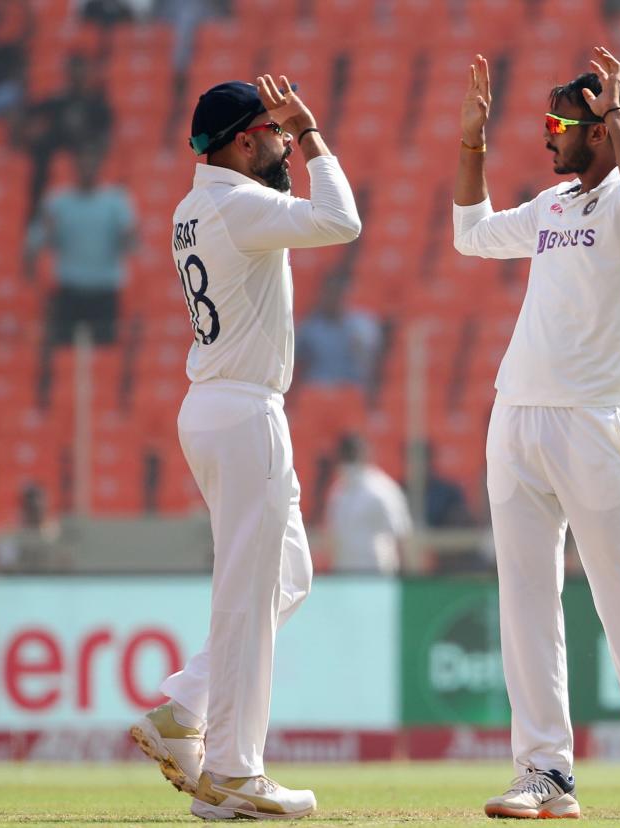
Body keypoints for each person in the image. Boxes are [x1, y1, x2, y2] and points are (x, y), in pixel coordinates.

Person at [452, 49, 620, 819]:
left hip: (595, 418)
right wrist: (471, 142)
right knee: (527, 599)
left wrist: (618, 119)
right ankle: (543, 772)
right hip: (517, 416)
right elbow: (469, 235)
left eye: (559, 126)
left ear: (602, 130)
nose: (547, 140)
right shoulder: (549, 206)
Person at [127, 76, 360, 821]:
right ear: (240, 141)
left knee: (286, 574)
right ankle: (233, 770)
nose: (285, 140)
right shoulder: (236, 202)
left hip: (218, 404)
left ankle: (185, 709)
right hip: (243, 409)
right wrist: (317, 133)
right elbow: (342, 220)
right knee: (246, 593)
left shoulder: (196, 206)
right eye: (274, 131)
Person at [25, 146, 136, 345]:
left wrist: (127, 237)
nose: (87, 169)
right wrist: (47, 232)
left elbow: (132, 244)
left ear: (99, 167)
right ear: (75, 168)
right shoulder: (58, 202)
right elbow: (35, 242)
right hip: (70, 288)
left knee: (105, 353)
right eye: (83, 164)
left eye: (92, 164)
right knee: (64, 352)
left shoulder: (116, 202)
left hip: (105, 288)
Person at [16, 53, 113, 209]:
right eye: (74, 71)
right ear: (68, 73)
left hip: (85, 146)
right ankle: (37, 202)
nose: (77, 75)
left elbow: (105, 133)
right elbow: (32, 112)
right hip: (57, 145)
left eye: (81, 71)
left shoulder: (96, 103)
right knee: (39, 153)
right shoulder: (58, 100)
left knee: (90, 154)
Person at [325, 433, 412, 574]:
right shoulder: (338, 492)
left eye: (352, 455)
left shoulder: (382, 489)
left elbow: (401, 535)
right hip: (344, 575)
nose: (349, 461)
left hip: (376, 575)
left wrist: (407, 576)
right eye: (345, 455)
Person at [294, 273, 381, 389]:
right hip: (318, 388)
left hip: (352, 389)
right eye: (330, 294)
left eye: (338, 294)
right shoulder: (311, 328)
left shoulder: (362, 326)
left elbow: (373, 362)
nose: (333, 299)